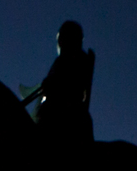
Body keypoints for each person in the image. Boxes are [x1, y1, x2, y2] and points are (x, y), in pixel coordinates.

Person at [34, 20, 95, 149]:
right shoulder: (75, 59)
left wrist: (49, 85)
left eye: (62, 37)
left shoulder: (72, 60)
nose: (60, 42)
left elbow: (66, 85)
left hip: (61, 113)